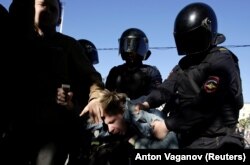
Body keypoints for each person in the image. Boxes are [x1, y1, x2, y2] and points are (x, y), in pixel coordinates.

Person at [4, 0, 105, 165]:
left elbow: (91, 77)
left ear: (59, 18)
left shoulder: (68, 45)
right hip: (16, 127)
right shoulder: (15, 39)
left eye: (54, 9)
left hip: (52, 130)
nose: (49, 11)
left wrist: (96, 97)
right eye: (43, 4)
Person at [138, 2, 245, 149]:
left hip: (216, 142)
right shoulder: (185, 64)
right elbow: (166, 88)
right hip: (188, 139)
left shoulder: (221, 60)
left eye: (193, 39)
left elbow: (206, 103)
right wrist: (146, 103)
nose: (189, 45)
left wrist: (167, 125)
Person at [105, 28, 162, 101]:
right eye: (127, 46)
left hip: (143, 110)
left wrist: (137, 104)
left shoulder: (151, 72)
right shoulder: (115, 72)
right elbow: (107, 95)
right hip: (118, 110)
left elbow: (157, 94)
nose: (130, 52)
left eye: (133, 47)